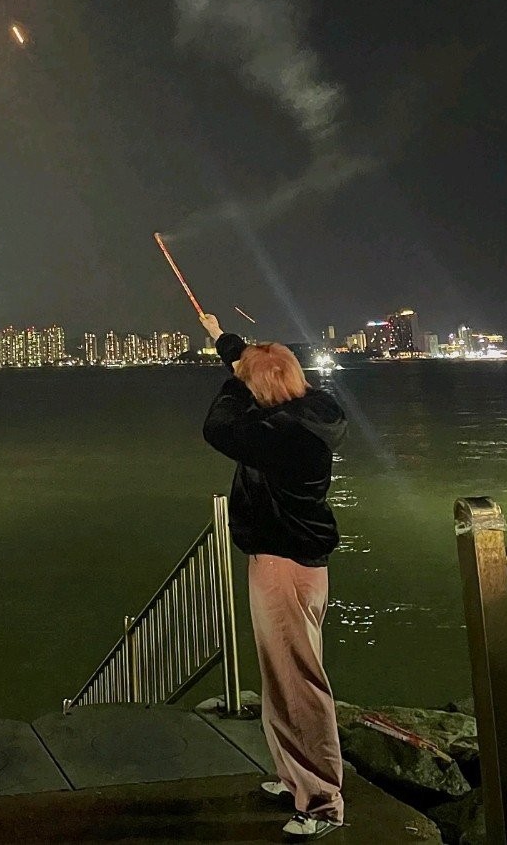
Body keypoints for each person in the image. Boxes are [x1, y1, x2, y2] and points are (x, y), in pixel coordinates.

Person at [198, 310, 348, 841]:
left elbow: (218, 426)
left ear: (259, 389)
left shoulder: (282, 438)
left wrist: (234, 378)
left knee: (298, 684)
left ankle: (322, 802)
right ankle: (294, 778)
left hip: (283, 567)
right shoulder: (311, 413)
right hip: (296, 563)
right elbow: (263, 384)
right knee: (281, 677)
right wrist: (227, 343)